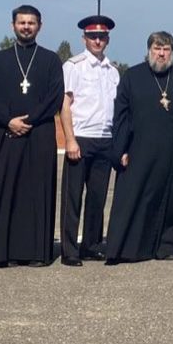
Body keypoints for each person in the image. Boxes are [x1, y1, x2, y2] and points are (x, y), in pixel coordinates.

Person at [0, 5, 64, 268]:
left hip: (39, 134)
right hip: (6, 133)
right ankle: (6, 251)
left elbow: (55, 96)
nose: (26, 27)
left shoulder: (50, 60)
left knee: (36, 192)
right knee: (6, 191)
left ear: (39, 26)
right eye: (22, 22)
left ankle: (37, 252)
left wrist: (30, 120)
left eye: (31, 23)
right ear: (13, 25)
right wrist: (9, 121)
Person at [106, 31, 173, 263]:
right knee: (136, 201)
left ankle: (167, 247)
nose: (161, 54)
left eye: (166, 49)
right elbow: (121, 116)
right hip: (139, 152)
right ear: (149, 50)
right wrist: (121, 150)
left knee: (171, 203)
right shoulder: (132, 77)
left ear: (172, 52)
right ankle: (131, 249)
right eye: (157, 49)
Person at [57, 14, 121, 266]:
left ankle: (91, 245)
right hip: (81, 138)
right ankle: (69, 250)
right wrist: (70, 140)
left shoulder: (113, 71)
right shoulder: (74, 66)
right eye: (93, 36)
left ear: (108, 39)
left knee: (97, 197)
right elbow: (65, 104)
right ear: (84, 38)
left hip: (104, 139)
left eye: (102, 36)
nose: (97, 41)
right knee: (72, 197)